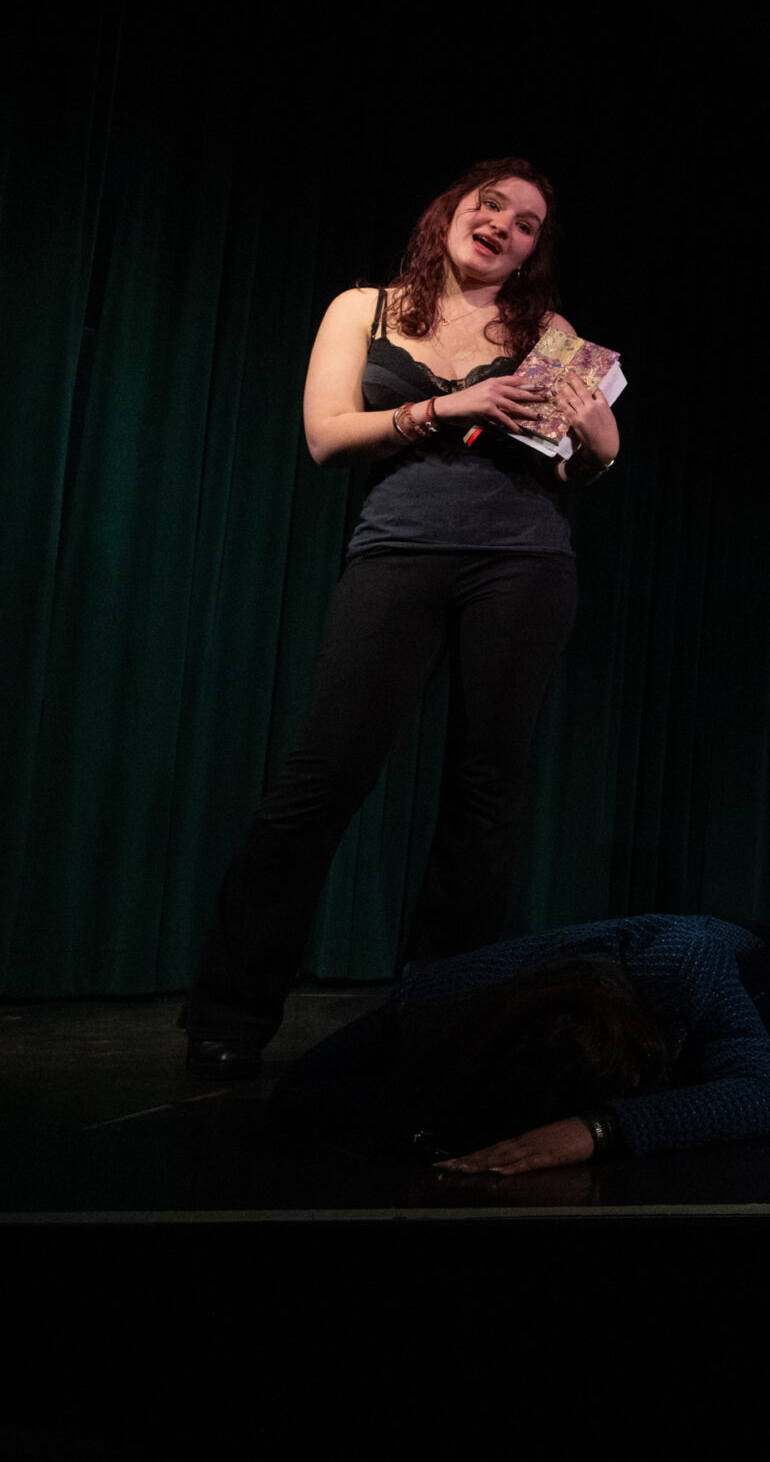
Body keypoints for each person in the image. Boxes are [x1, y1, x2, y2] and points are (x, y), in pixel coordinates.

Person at [182, 158, 621, 1081]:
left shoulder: (547, 333)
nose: (504, 225)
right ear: (451, 212)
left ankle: (444, 1015)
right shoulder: (365, 309)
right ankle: (231, 1012)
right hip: (399, 550)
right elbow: (326, 437)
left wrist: (601, 450)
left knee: (485, 794)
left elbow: (566, 465)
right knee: (323, 777)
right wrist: (448, 405)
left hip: (526, 562)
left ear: (534, 252)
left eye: (528, 224)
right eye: (491, 205)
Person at [269, 913, 770, 1173]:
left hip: (769, 981)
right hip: (669, 1025)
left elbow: (758, 1097)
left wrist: (598, 1129)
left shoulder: (687, 965)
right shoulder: (441, 998)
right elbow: (299, 1091)